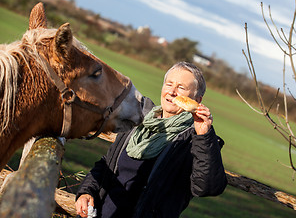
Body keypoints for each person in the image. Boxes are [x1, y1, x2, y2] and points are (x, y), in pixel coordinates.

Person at [75, 61, 227, 218]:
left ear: (197, 99)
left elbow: (208, 186)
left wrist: (203, 135)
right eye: (169, 84)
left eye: (181, 87)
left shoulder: (193, 139)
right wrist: (87, 191)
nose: (172, 92)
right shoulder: (139, 121)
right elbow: (108, 163)